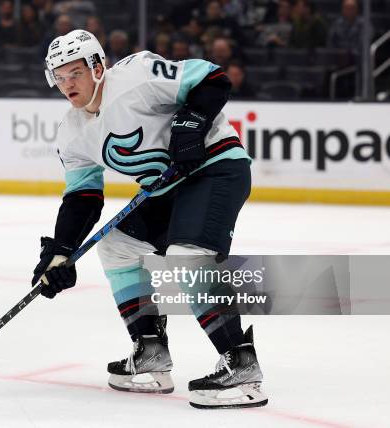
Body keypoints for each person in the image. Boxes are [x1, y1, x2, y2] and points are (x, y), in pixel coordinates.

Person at [31, 29, 267, 409]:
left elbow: (212, 78)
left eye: (74, 72)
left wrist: (191, 124)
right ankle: (151, 352)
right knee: (117, 247)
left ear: (97, 66)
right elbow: (83, 198)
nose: (67, 84)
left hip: (216, 168)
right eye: (58, 76)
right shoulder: (72, 132)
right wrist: (61, 252)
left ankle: (241, 363)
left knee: (186, 255)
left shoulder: (137, 75)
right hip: (167, 189)